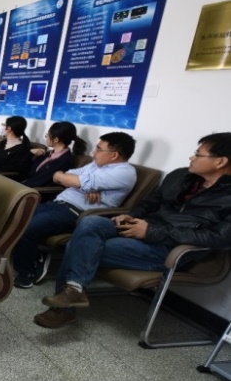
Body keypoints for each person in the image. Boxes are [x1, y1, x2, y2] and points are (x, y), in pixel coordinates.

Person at [35, 132, 231, 329]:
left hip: (170, 248)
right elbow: (150, 203)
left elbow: (220, 237)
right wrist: (131, 215)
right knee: (90, 222)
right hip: (141, 227)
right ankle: (74, 291)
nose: (191, 157)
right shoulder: (181, 176)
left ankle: (64, 309)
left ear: (220, 161)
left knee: (77, 245)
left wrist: (152, 232)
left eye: (198, 154)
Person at [12, 132, 137, 289]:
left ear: (114, 155)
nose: (94, 152)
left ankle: (26, 273)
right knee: (16, 218)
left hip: (76, 212)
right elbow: (59, 175)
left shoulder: (124, 172)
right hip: (57, 203)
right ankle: (36, 256)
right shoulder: (95, 165)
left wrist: (77, 182)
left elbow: (74, 180)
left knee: (26, 228)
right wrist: (82, 184)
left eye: (99, 149)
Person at [22, 121, 87, 190]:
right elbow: (27, 170)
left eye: (48, 135)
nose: (46, 137)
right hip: (26, 186)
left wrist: (21, 185)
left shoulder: (64, 160)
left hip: (37, 191)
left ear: (56, 139)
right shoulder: (48, 154)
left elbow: (41, 180)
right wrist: (30, 152)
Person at [0, 115, 34, 180]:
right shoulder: (0, 144)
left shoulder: (22, 150)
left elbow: (11, 170)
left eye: (4, 125)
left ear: (9, 129)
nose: (2, 127)